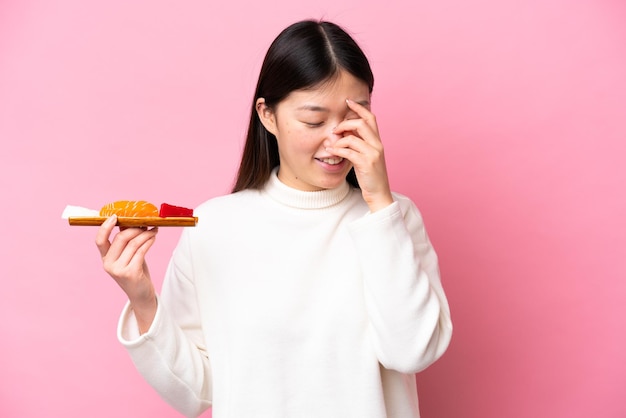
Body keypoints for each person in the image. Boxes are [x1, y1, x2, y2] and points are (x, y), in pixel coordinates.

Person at [96, 19, 452, 418]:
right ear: (267, 116)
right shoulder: (213, 226)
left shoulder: (394, 217)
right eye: (314, 122)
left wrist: (378, 201)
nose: (336, 141)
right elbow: (195, 393)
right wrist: (142, 299)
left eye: (354, 117)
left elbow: (412, 352)